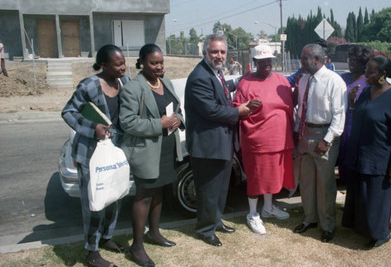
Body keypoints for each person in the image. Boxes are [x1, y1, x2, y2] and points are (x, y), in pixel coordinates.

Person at [184, 34, 260, 247]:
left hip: (222, 143)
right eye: (214, 51)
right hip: (207, 146)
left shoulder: (214, 73)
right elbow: (211, 109)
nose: (219, 56)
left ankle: (215, 221)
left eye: (222, 52)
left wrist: (240, 80)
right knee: (208, 191)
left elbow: (222, 90)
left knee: (220, 189)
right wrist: (240, 111)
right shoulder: (199, 76)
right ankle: (205, 229)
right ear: (205, 52)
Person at [61, 44, 129, 267]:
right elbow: (68, 111)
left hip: (113, 154)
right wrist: (93, 128)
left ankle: (107, 238)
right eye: (118, 64)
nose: (123, 67)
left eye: (124, 62)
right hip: (91, 155)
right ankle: (92, 252)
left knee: (113, 198)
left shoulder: (124, 82)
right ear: (103, 65)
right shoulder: (89, 85)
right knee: (94, 203)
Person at [120, 43, 184, 267]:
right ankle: (136, 246)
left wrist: (177, 119)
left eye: (161, 62)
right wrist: (160, 123)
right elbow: (127, 122)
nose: (159, 67)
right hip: (147, 151)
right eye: (153, 63)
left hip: (166, 148)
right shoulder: (133, 88)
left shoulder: (165, 82)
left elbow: (176, 107)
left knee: (159, 192)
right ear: (142, 62)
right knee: (144, 196)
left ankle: (154, 233)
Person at [341, 55, 391, 248]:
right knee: (359, 195)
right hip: (359, 155)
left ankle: (380, 234)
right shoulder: (366, 92)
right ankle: (360, 227)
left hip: (380, 157)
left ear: (383, 74)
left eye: (370, 72)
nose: (366, 75)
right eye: (366, 70)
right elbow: (364, 116)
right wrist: (353, 103)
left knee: (376, 199)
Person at [233, 44, 295, 234]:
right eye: (262, 62)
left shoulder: (281, 80)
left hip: (279, 140)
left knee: (272, 177)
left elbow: (290, 107)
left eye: (269, 61)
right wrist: (249, 106)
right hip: (257, 141)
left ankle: (268, 208)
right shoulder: (246, 83)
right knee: (256, 178)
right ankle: (252, 213)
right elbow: (236, 111)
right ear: (255, 63)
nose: (266, 64)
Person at [293, 43, 347, 243]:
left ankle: (328, 225)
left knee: (325, 183)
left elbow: (339, 115)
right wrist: (298, 135)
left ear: (316, 59)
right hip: (305, 133)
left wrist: (327, 140)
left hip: (324, 134)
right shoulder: (303, 80)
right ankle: (310, 219)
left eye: (304, 58)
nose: (301, 62)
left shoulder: (334, 81)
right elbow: (300, 109)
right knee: (306, 181)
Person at [336, 45, 374, 183]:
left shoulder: (369, 82)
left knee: (356, 168)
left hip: (358, 129)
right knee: (343, 166)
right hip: (341, 128)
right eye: (350, 60)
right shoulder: (341, 78)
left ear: (364, 64)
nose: (351, 63)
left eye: (356, 61)